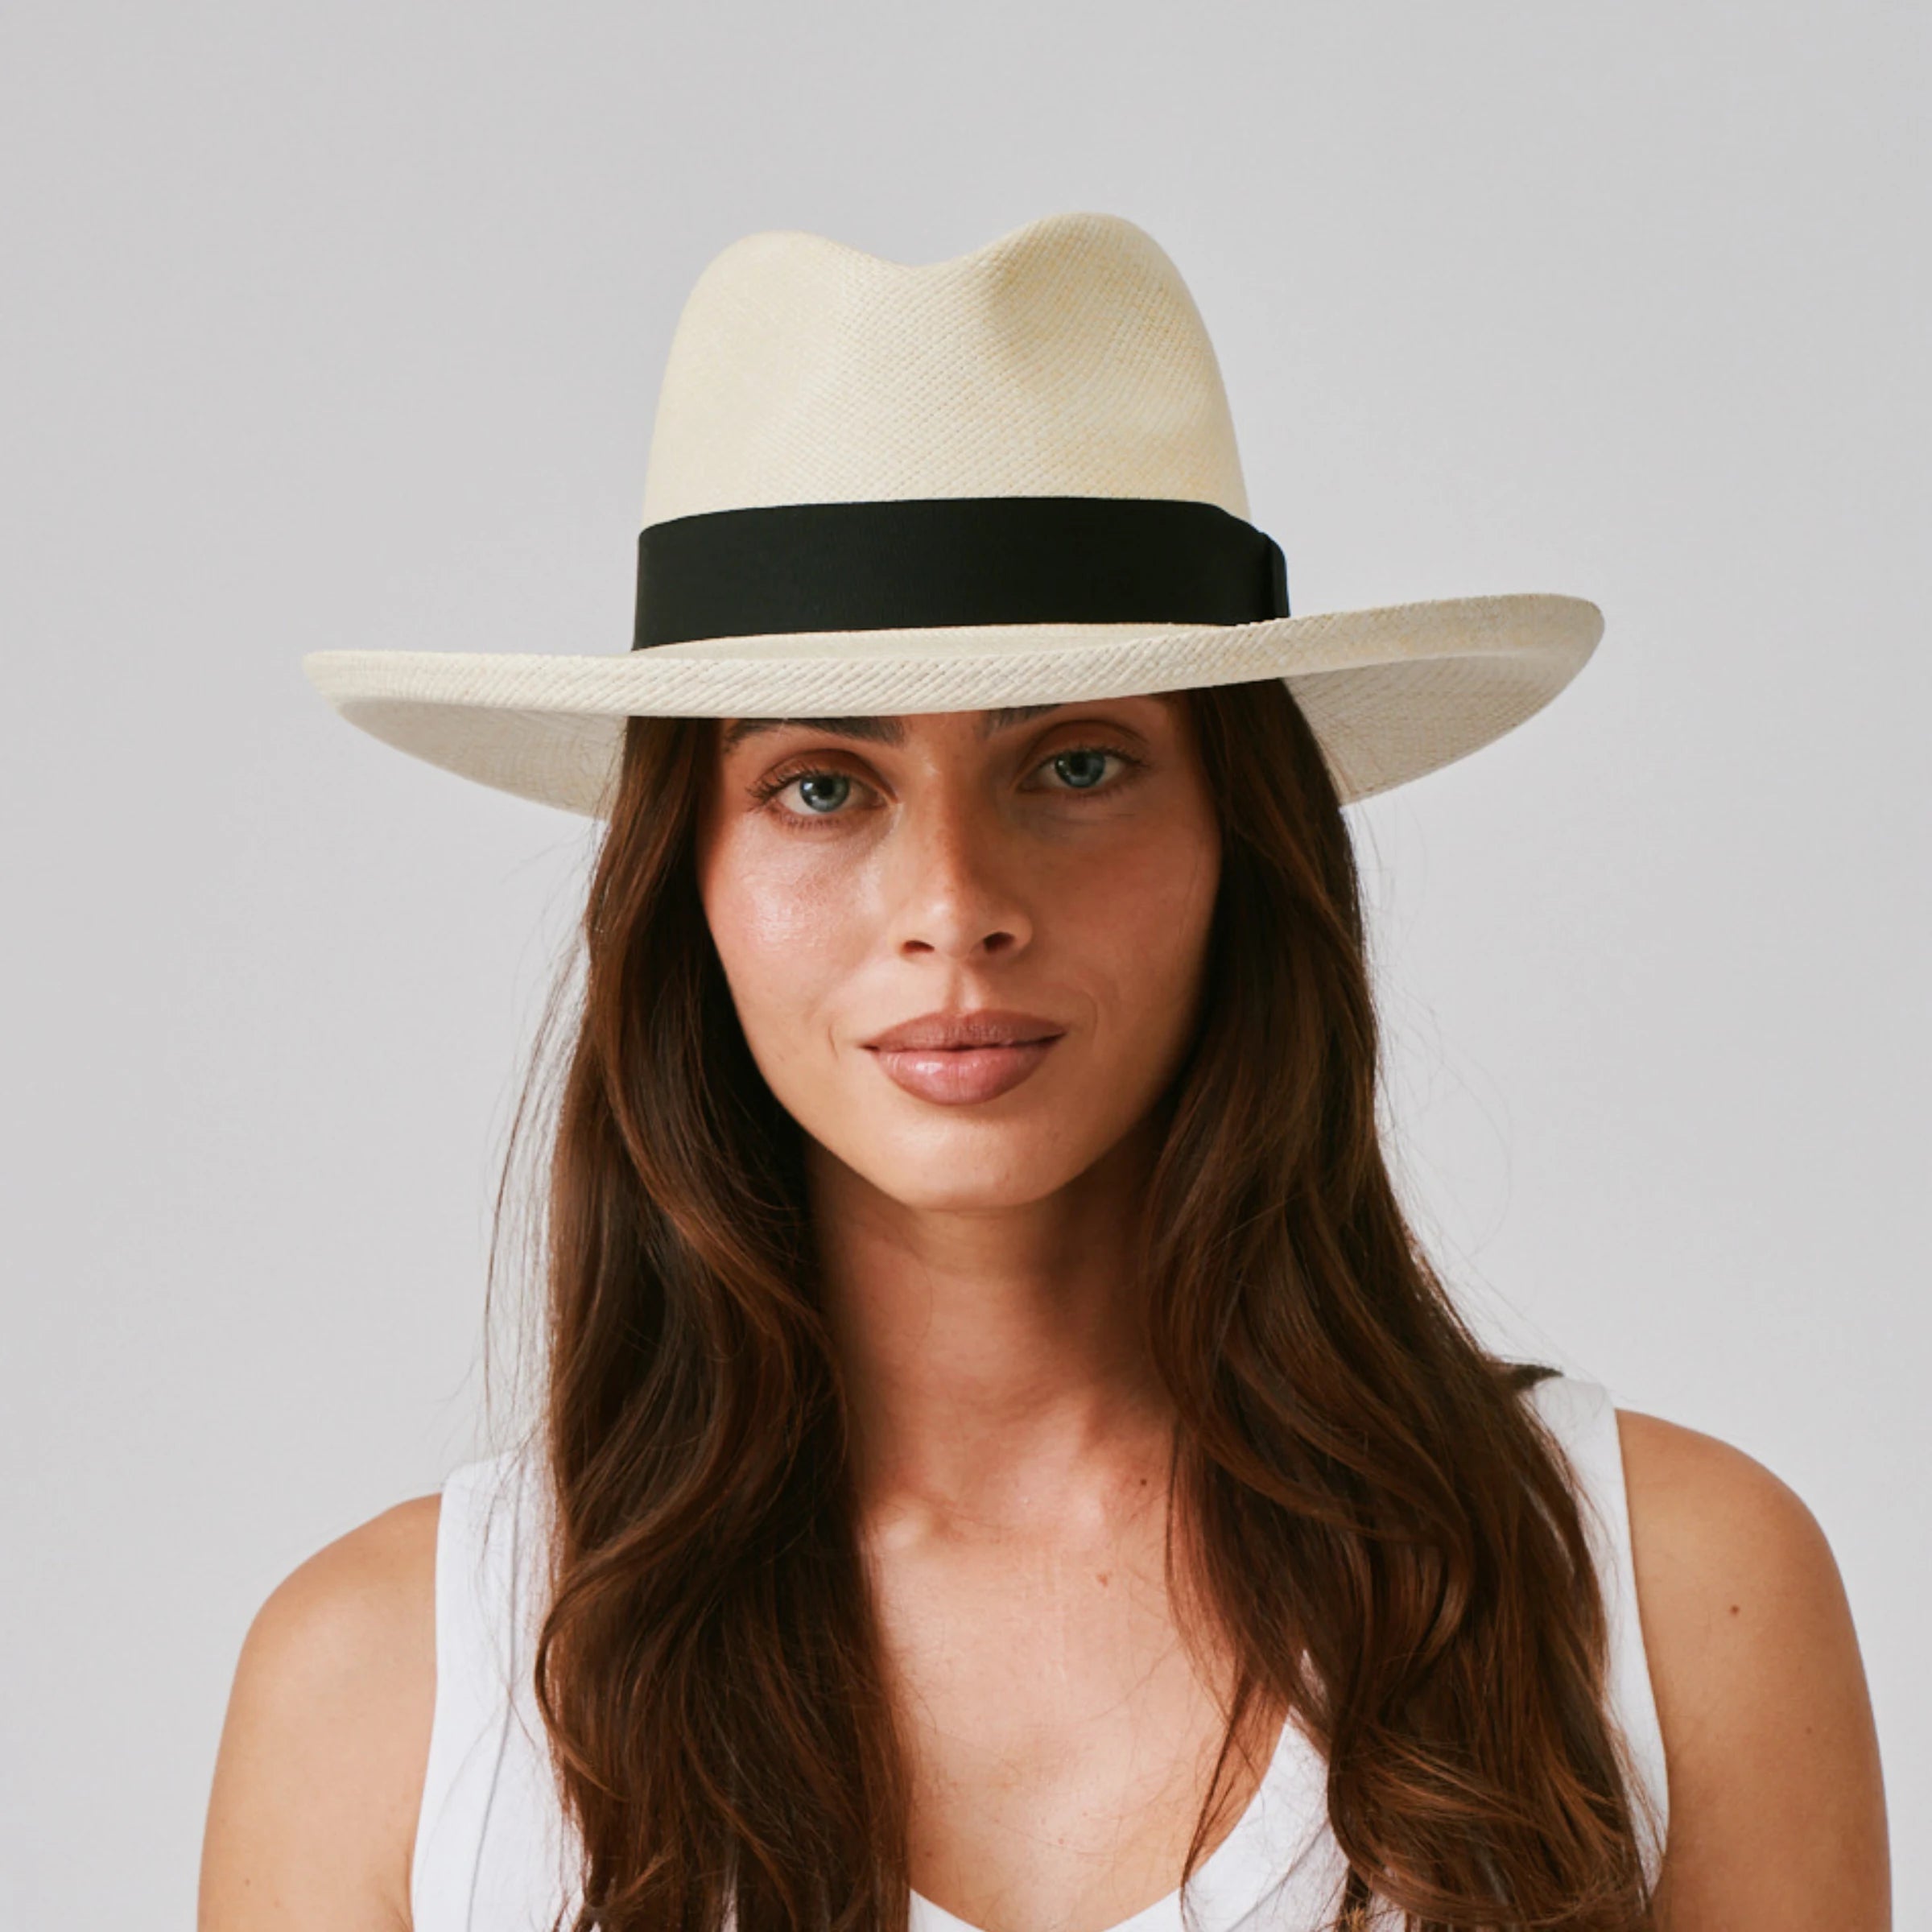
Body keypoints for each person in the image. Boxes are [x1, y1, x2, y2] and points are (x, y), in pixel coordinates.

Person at [200, 213, 1889, 1931]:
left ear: (1243, 836)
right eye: (821, 785)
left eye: (1077, 763)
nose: (957, 908)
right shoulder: (386, 1703)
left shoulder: (1669, 1603)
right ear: (683, 878)